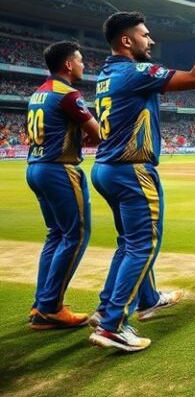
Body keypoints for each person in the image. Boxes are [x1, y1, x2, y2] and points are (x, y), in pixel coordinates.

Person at [88, 0, 195, 352]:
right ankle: (113, 323)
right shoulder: (134, 73)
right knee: (143, 244)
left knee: (128, 242)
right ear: (127, 42)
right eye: (145, 35)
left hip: (105, 168)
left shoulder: (106, 75)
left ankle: (133, 302)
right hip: (132, 170)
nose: (151, 41)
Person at [26, 41, 100, 329]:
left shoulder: (38, 93)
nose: (83, 65)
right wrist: (87, 138)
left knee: (55, 234)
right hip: (60, 169)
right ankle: (51, 307)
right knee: (77, 234)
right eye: (80, 60)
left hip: (35, 168)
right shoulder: (68, 94)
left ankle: (40, 304)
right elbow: (97, 133)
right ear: (68, 64)